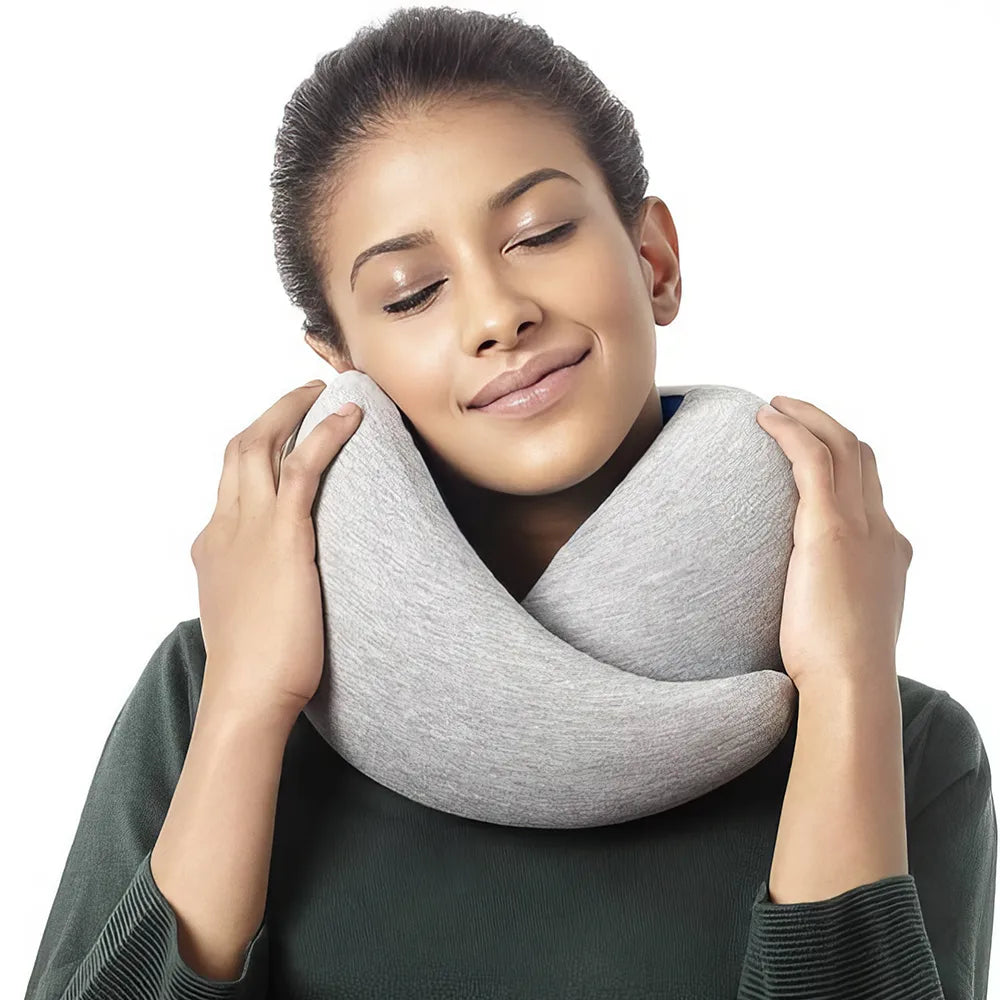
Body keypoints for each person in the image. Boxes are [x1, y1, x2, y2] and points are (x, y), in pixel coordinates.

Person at [23, 7, 995, 998]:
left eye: (540, 233)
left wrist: (843, 688)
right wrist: (248, 705)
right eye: (411, 292)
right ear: (345, 364)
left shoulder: (902, 739)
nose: (497, 315)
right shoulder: (210, 685)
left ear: (654, 261)